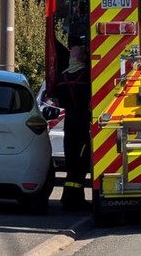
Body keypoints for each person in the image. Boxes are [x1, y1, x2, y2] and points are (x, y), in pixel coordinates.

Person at [55, 46, 92, 211]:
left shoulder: (63, 76)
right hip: (83, 123)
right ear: (83, 58)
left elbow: (60, 102)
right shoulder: (87, 75)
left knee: (71, 162)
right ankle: (75, 200)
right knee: (82, 163)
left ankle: (68, 198)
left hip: (69, 124)